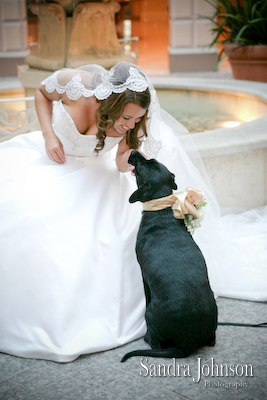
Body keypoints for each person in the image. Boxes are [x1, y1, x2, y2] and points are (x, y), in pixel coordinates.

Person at [0, 62, 266, 363]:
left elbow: (118, 162)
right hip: (53, 162)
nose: (130, 124)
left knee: (103, 237)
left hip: (96, 178)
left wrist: (133, 161)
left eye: (137, 119)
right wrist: (49, 135)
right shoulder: (76, 84)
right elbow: (40, 93)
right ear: (109, 104)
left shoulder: (133, 123)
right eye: (125, 117)